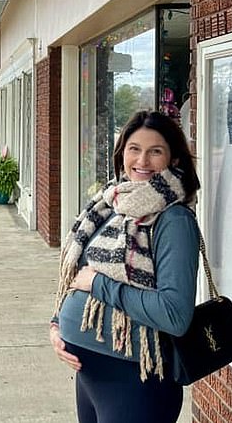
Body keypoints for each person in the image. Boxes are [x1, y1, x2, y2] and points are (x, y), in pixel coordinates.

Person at [50, 110, 201, 423]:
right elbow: (77, 272)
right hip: (91, 378)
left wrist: (99, 286)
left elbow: (174, 315)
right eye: (135, 149)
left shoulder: (174, 221)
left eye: (155, 151)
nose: (142, 161)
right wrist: (56, 325)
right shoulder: (110, 204)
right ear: (122, 154)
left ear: (173, 160)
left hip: (135, 382)